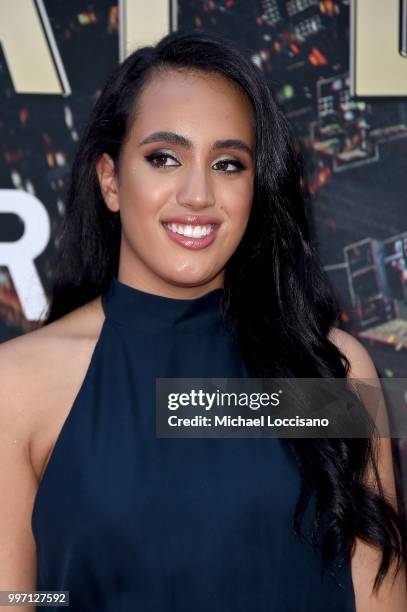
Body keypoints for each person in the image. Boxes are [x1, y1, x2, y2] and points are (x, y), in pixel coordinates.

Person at [0, 28, 405, 612]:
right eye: (164, 157)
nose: (198, 193)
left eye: (228, 163)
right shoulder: (18, 386)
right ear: (110, 180)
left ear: (254, 189)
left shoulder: (331, 372)